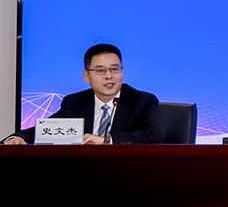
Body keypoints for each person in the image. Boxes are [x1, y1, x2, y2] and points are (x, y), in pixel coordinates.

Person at [4, 43, 164, 145]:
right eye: (100, 70)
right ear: (86, 76)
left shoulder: (142, 101)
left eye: (115, 69)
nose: (109, 76)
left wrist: (106, 140)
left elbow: (155, 135)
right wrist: (17, 138)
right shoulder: (74, 102)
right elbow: (46, 130)